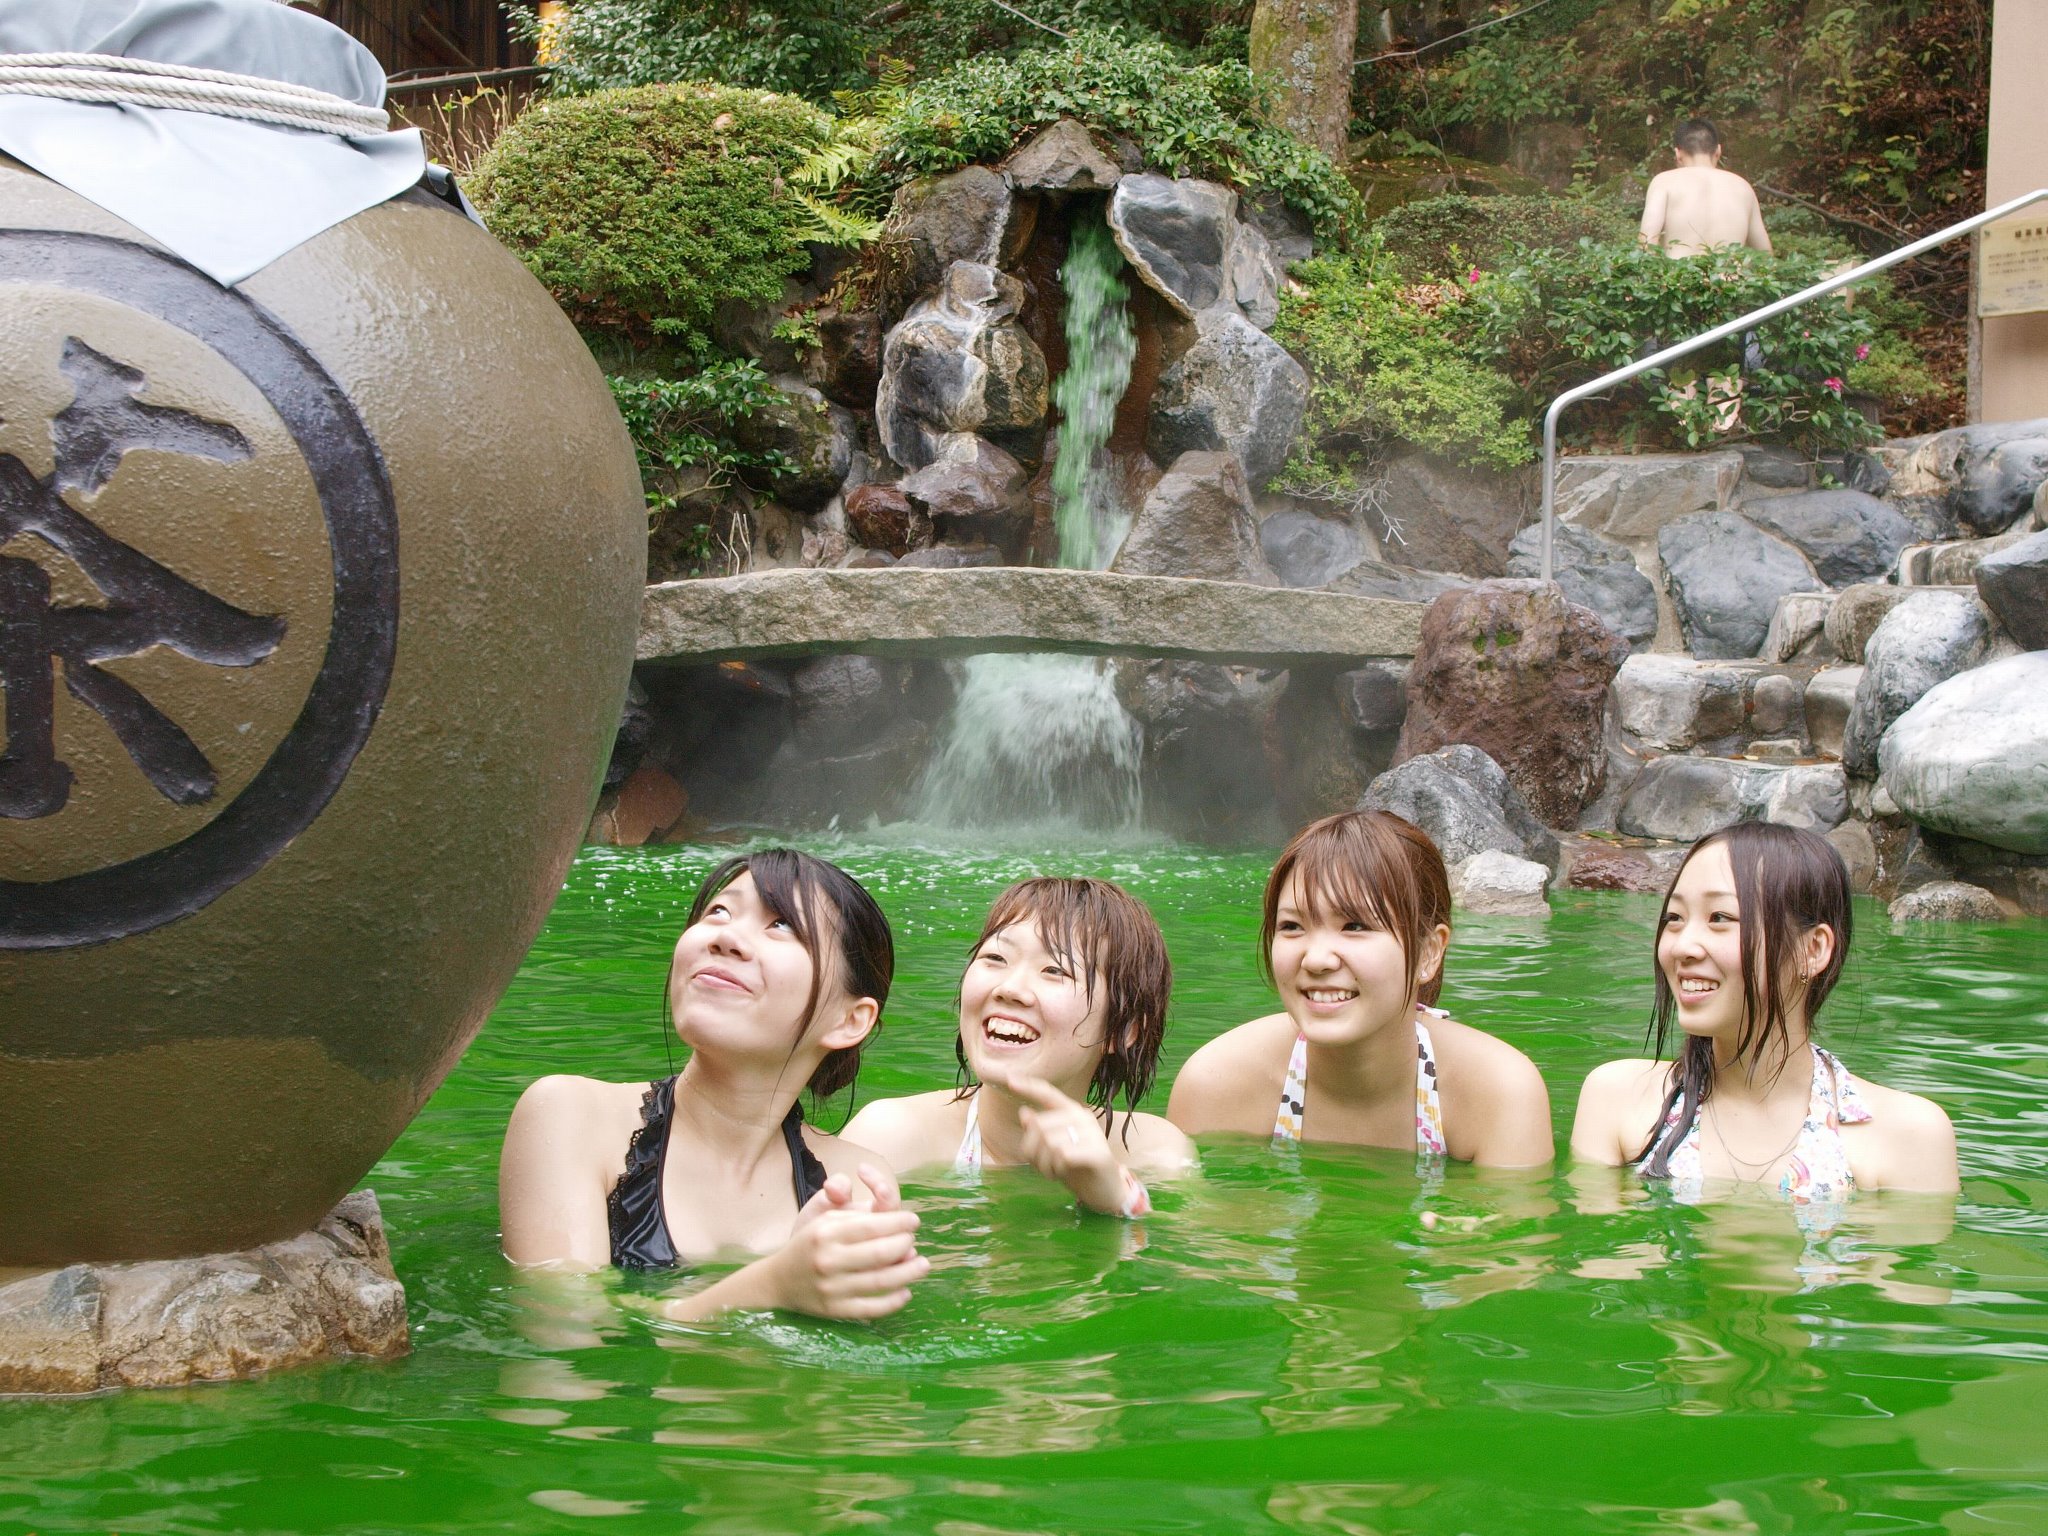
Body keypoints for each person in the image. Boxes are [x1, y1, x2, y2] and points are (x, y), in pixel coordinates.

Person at [498, 849, 930, 1320]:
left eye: (782, 924)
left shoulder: (856, 1182)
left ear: (850, 1021)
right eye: (719, 911)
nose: (726, 937)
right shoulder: (568, 1117)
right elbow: (562, 1334)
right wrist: (772, 1287)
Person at [1570, 822, 1958, 1197]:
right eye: (1674, 918)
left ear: (1813, 949)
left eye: (1720, 918)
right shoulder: (1617, 1098)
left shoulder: (1907, 1136)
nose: (1683, 946)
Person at [1167, 811, 1553, 1167]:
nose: (1317, 959)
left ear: (1428, 952)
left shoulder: (1499, 1093)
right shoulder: (1217, 1082)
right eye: (1292, 926)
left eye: (1355, 926)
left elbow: (1513, 1220)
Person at [844, 876, 1194, 1217]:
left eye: (1055, 970)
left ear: (1124, 1030)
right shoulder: (892, 1138)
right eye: (996, 958)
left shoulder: (1154, 1153)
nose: (1009, 988)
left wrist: (1114, 1202)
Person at [1640, 118, 1772, 257]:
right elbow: (1765, 255)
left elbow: (1647, 242)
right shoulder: (1743, 187)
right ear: (1718, 151)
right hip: (1729, 271)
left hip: (1679, 271)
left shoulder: (1664, 182)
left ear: (1678, 154)